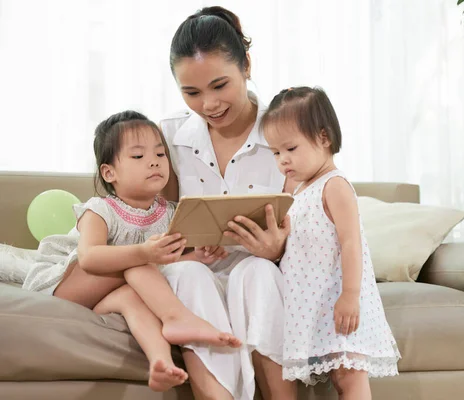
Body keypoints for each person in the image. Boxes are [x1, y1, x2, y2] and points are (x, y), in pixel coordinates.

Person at [22, 110, 241, 392]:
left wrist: (197, 256)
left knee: (131, 296)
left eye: (161, 155)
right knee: (136, 262)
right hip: (66, 286)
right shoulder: (100, 210)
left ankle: (161, 363)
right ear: (109, 172)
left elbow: (168, 264)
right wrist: (144, 253)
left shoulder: (171, 213)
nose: (153, 162)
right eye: (138, 157)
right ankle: (176, 317)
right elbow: (89, 258)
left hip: (110, 294)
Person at [160, 6, 297, 400]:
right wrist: (182, 252)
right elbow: (152, 220)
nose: (208, 104)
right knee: (190, 275)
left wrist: (277, 251)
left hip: (261, 276)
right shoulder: (168, 136)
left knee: (255, 271)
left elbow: (313, 225)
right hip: (192, 274)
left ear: (246, 66)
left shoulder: (285, 131)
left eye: (220, 85)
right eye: (192, 93)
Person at [261, 87, 401, 399]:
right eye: (275, 153)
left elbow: (351, 243)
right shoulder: (299, 192)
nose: (283, 160)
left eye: (291, 149)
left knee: (349, 375)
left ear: (324, 138)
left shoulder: (334, 186)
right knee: (338, 377)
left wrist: (350, 296)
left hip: (339, 301)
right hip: (315, 304)